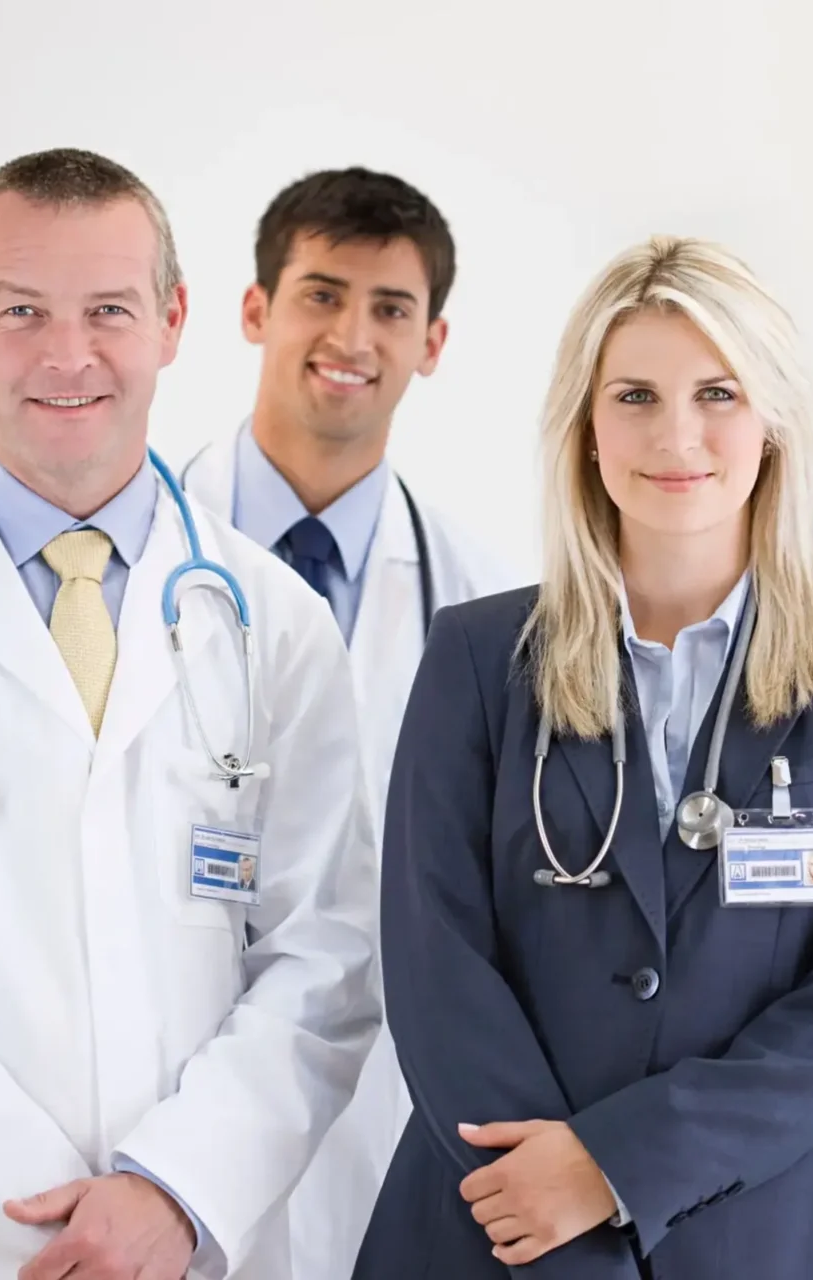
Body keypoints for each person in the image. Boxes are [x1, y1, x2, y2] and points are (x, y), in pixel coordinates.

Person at [0, 148, 383, 1280]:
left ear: (174, 319)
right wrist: (65, 1227)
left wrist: (172, 1193)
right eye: (21, 310)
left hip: (195, 1240)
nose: (67, 354)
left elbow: (329, 954)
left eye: (108, 310)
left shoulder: (275, 623)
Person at [353, 235, 813, 1280]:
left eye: (717, 392)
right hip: (502, 1231)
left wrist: (617, 1166)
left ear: (769, 422)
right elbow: (434, 959)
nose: (677, 434)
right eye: (634, 394)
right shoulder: (477, 659)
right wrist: (552, 1201)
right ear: (586, 428)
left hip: (778, 1233)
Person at [179, 164, 521, 1277]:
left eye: (391, 307)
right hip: (164, 1077)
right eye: (321, 292)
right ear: (255, 308)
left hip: (386, 1093)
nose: (352, 334)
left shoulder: (485, 600)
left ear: (434, 340)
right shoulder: (139, 557)